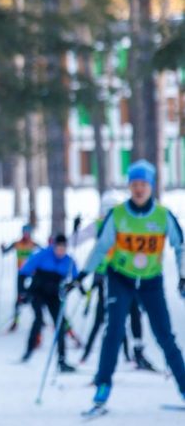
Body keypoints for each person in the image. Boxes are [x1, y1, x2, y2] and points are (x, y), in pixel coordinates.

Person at [73, 160, 185, 408]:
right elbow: (101, 247)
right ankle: (103, 384)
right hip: (120, 278)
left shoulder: (163, 216)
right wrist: (82, 275)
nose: (139, 189)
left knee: (164, 335)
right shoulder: (118, 214)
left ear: (151, 186)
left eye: (143, 184)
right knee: (113, 330)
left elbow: (180, 246)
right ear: (129, 186)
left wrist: (182, 275)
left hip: (150, 281)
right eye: (134, 184)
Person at [19, 234, 79, 373]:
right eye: (58, 248)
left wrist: (69, 287)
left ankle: (62, 361)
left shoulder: (69, 260)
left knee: (60, 324)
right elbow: (23, 272)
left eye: (63, 249)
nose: (61, 252)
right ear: (54, 246)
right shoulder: (42, 255)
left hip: (53, 296)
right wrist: (22, 293)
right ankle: (28, 351)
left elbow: (76, 279)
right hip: (37, 292)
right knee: (39, 319)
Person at [1, 224, 41, 331]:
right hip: (22, 273)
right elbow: (5, 252)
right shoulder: (17, 244)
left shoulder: (34, 244)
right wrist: (3, 248)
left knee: (36, 296)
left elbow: (45, 253)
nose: (27, 235)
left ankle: (40, 319)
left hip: (33, 273)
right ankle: (16, 320)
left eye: (28, 233)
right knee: (19, 297)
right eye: (25, 232)